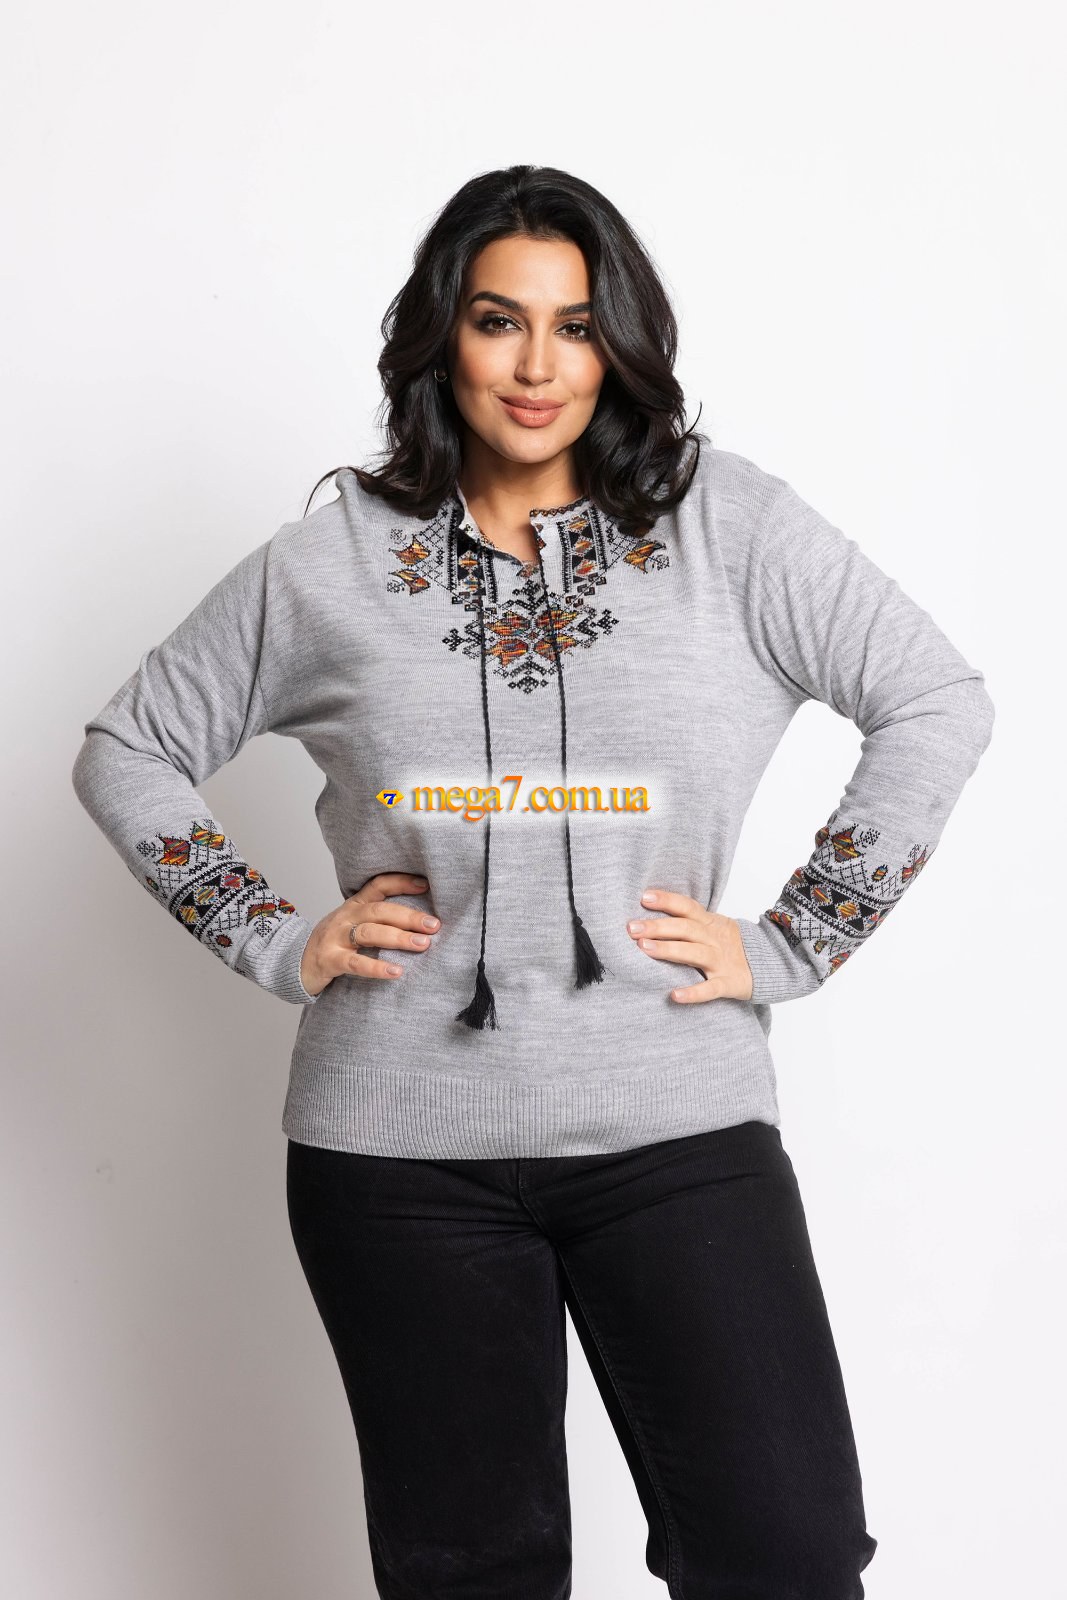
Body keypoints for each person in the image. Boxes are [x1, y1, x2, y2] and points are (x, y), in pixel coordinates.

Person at [71, 163, 995, 1599]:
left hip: (677, 1126)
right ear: (444, 334)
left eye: (575, 325)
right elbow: (129, 749)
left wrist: (796, 940)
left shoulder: (729, 531)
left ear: (619, 343)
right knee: (473, 1580)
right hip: (396, 1156)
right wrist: (273, 935)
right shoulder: (330, 566)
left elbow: (936, 699)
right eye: (500, 320)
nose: (539, 365)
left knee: (786, 1553)